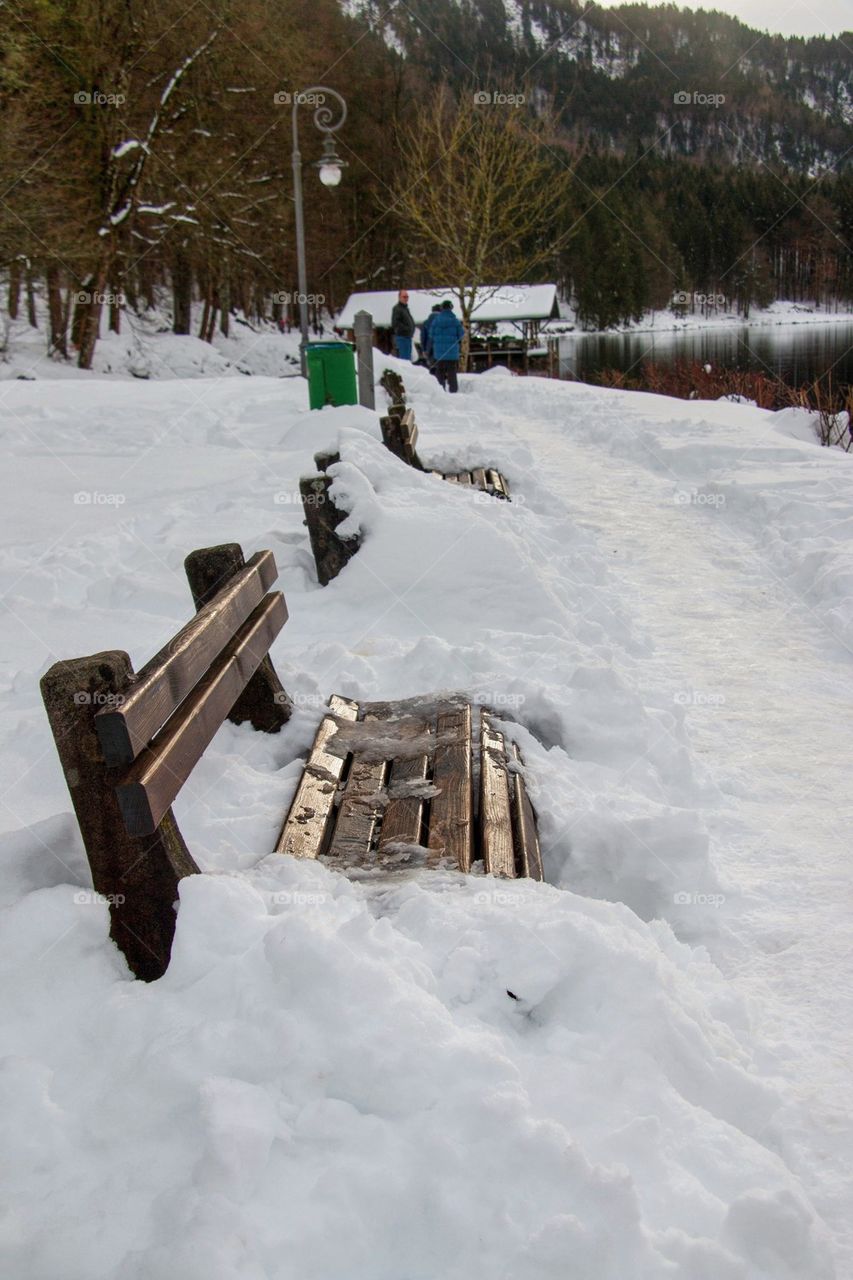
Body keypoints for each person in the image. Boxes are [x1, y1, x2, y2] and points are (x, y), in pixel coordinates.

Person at [429, 299, 465, 392]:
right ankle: (453, 391)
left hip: (439, 353)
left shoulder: (436, 321)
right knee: (452, 372)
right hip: (452, 352)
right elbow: (461, 334)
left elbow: (431, 335)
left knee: (440, 372)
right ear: (451, 308)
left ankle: (440, 391)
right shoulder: (455, 321)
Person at [390, 289, 415, 361]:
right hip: (402, 337)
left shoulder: (405, 308)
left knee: (408, 358)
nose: (406, 298)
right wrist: (406, 329)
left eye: (407, 297)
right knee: (404, 359)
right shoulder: (397, 308)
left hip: (408, 337)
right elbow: (395, 323)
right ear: (399, 297)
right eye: (404, 297)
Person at [420, 303, 442, 376]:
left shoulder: (426, 323)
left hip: (429, 349)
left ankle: (433, 384)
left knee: (432, 368)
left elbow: (423, 337)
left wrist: (424, 350)